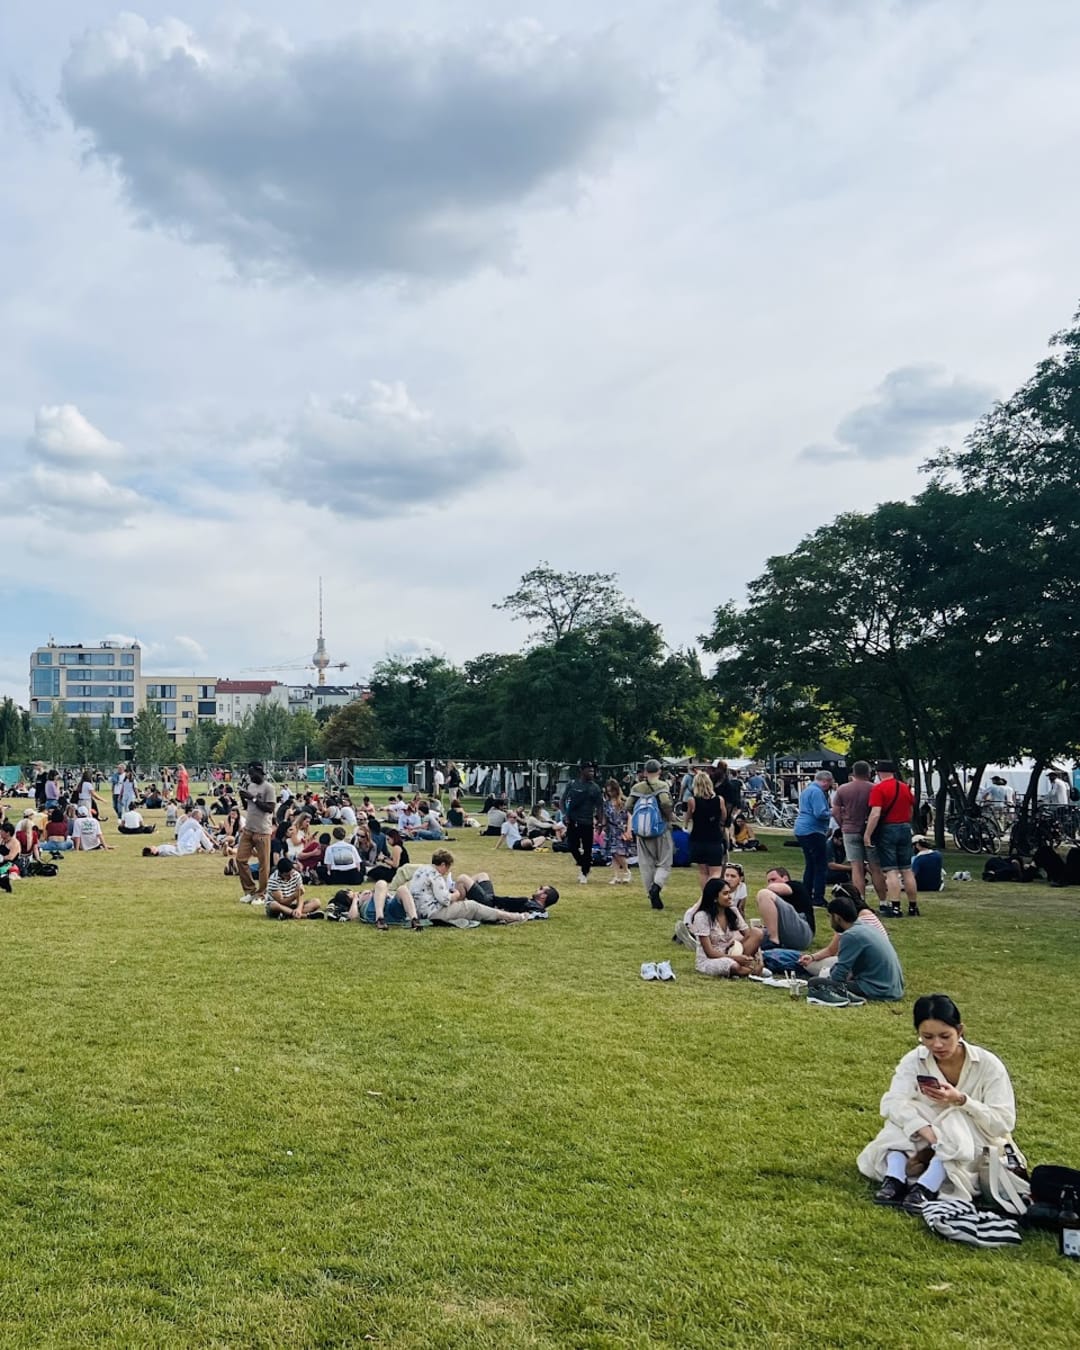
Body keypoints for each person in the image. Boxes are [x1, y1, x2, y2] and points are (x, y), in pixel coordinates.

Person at [857, 994, 1020, 1214]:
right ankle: (894, 1178)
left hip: (973, 1137)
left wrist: (962, 1100)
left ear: (960, 1031)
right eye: (927, 1037)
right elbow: (893, 1101)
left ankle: (927, 1186)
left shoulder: (988, 1065)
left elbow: (1003, 1122)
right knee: (902, 1116)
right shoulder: (915, 1060)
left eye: (945, 1036)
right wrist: (926, 1131)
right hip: (925, 1135)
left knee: (955, 1119)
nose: (937, 1044)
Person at [803, 895, 904, 1005]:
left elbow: (839, 975)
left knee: (814, 982)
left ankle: (846, 997)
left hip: (878, 989)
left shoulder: (851, 935)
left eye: (830, 917)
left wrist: (827, 978)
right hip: (894, 988)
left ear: (837, 917)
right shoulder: (866, 927)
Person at [402, 849, 528, 926]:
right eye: (447, 867)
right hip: (433, 913)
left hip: (419, 910)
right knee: (473, 906)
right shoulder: (435, 876)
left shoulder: (422, 869)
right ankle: (514, 916)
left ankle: (501, 916)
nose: (446, 871)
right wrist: (456, 894)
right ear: (443, 864)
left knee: (472, 905)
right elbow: (444, 900)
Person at [864, 760, 917, 919]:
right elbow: (911, 809)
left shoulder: (878, 789)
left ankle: (895, 907)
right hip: (905, 827)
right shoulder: (904, 788)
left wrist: (867, 834)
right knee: (907, 869)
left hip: (888, 829)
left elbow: (875, 814)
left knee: (891, 870)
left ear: (879, 773)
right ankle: (913, 906)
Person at [830, 760, 886, 904]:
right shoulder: (875, 788)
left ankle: (860, 901)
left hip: (850, 830)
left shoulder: (843, 789)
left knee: (856, 867)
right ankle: (883, 901)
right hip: (871, 831)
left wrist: (843, 825)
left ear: (853, 773)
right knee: (875, 868)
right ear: (869, 773)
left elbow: (835, 810)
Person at [688, 878, 764, 978]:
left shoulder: (732, 910)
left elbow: (749, 935)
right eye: (725, 893)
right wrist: (736, 958)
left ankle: (748, 969)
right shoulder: (702, 916)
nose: (730, 897)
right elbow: (709, 952)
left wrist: (760, 960)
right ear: (714, 897)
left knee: (757, 932)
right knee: (733, 965)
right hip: (711, 959)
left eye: (730, 893)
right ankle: (750, 971)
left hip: (734, 951)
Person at [630, 759, 675, 910]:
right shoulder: (662, 786)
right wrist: (669, 818)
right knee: (664, 862)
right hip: (660, 829)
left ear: (644, 771)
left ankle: (650, 892)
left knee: (646, 864)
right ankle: (657, 886)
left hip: (642, 831)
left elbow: (628, 806)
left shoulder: (637, 787)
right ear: (659, 771)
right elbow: (666, 803)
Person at [236, 761, 276, 904]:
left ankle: (261, 894)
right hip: (249, 829)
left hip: (262, 831)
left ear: (259, 772)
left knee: (263, 865)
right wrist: (243, 797)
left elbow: (270, 808)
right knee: (240, 859)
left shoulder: (269, 788)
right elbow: (248, 806)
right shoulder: (250, 785)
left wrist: (251, 797)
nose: (250, 777)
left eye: (252, 774)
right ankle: (250, 890)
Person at [794, 770, 834, 908]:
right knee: (820, 865)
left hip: (802, 829)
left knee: (810, 863)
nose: (830, 786)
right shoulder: (817, 792)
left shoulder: (807, 790)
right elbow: (820, 813)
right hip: (813, 830)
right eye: (830, 783)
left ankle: (806, 894)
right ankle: (818, 897)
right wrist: (833, 811)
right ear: (825, 781)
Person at [754, 865, 814, 952]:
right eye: (769, 881)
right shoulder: (776, 898)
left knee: (763, 894)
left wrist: (768, 890)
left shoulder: (795, 885)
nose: (771, 883)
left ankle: (773, 940)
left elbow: (779, 889)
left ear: (785, 878)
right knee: (752, 934)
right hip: (787, 936)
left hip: (803, 932)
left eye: (773, 879)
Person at [685, 770, 727, 888]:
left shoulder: (692, 801)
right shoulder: (719, 800)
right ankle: (713, 895)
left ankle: (705, 896)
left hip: (698, 838)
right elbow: (724, 817)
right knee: (715, 871)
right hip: (714, 838)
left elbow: (688, 817)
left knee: (703, 872)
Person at [562, 763, 603, 885]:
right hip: (573, 821)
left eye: (593, 771)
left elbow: (599, 806)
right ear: (581, 771)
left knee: (587, 848)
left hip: (587, 822)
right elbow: (562, 800)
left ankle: (584, 872)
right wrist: (565, 814)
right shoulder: (572, 784)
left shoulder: (595, 788)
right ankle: (582, 862)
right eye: (589, 771)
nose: (592, 773)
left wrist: (600, 822)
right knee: (571, 846)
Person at [453, 873, 559, 915]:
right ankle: (453, 891)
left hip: (489, 905)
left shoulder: (531, 906)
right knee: (483, 875)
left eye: (540, 889)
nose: (537, 889)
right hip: (492, 899)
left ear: (543, 896)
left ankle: (456, 907)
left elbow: (524, 916)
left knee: (462, 878)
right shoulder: (534, 906)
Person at [601, 779, 632, 884]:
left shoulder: (624, 802)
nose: (610, 793)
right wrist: (601, 826)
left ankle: (626, 871)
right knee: (613, 853)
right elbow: (605, 817)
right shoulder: (606, 803)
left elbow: (629, 816)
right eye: (608, 791)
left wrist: (629, 830)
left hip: (621, 830)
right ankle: (616, 876)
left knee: (619, 852)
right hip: (610, 830)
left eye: (612, 791)